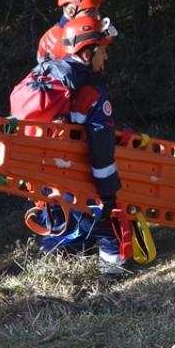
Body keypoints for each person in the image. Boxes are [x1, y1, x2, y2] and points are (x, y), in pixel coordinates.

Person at [32, 15, 129, 276]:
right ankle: (112, 273)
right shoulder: (91, 95)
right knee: (110, 219)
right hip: (78, 183)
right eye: (104, 51)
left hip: (46, 182)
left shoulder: (51, 82)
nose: (105, 58)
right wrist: (108, 197)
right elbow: (101, 153)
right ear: (89, 53)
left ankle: (53, 262)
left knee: (65, 216)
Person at [36, 0, 115, 62]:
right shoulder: (75, 41)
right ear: (71, 11)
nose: (98, 16)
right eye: (90, 11)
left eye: (98, 9)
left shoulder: (47, 38)